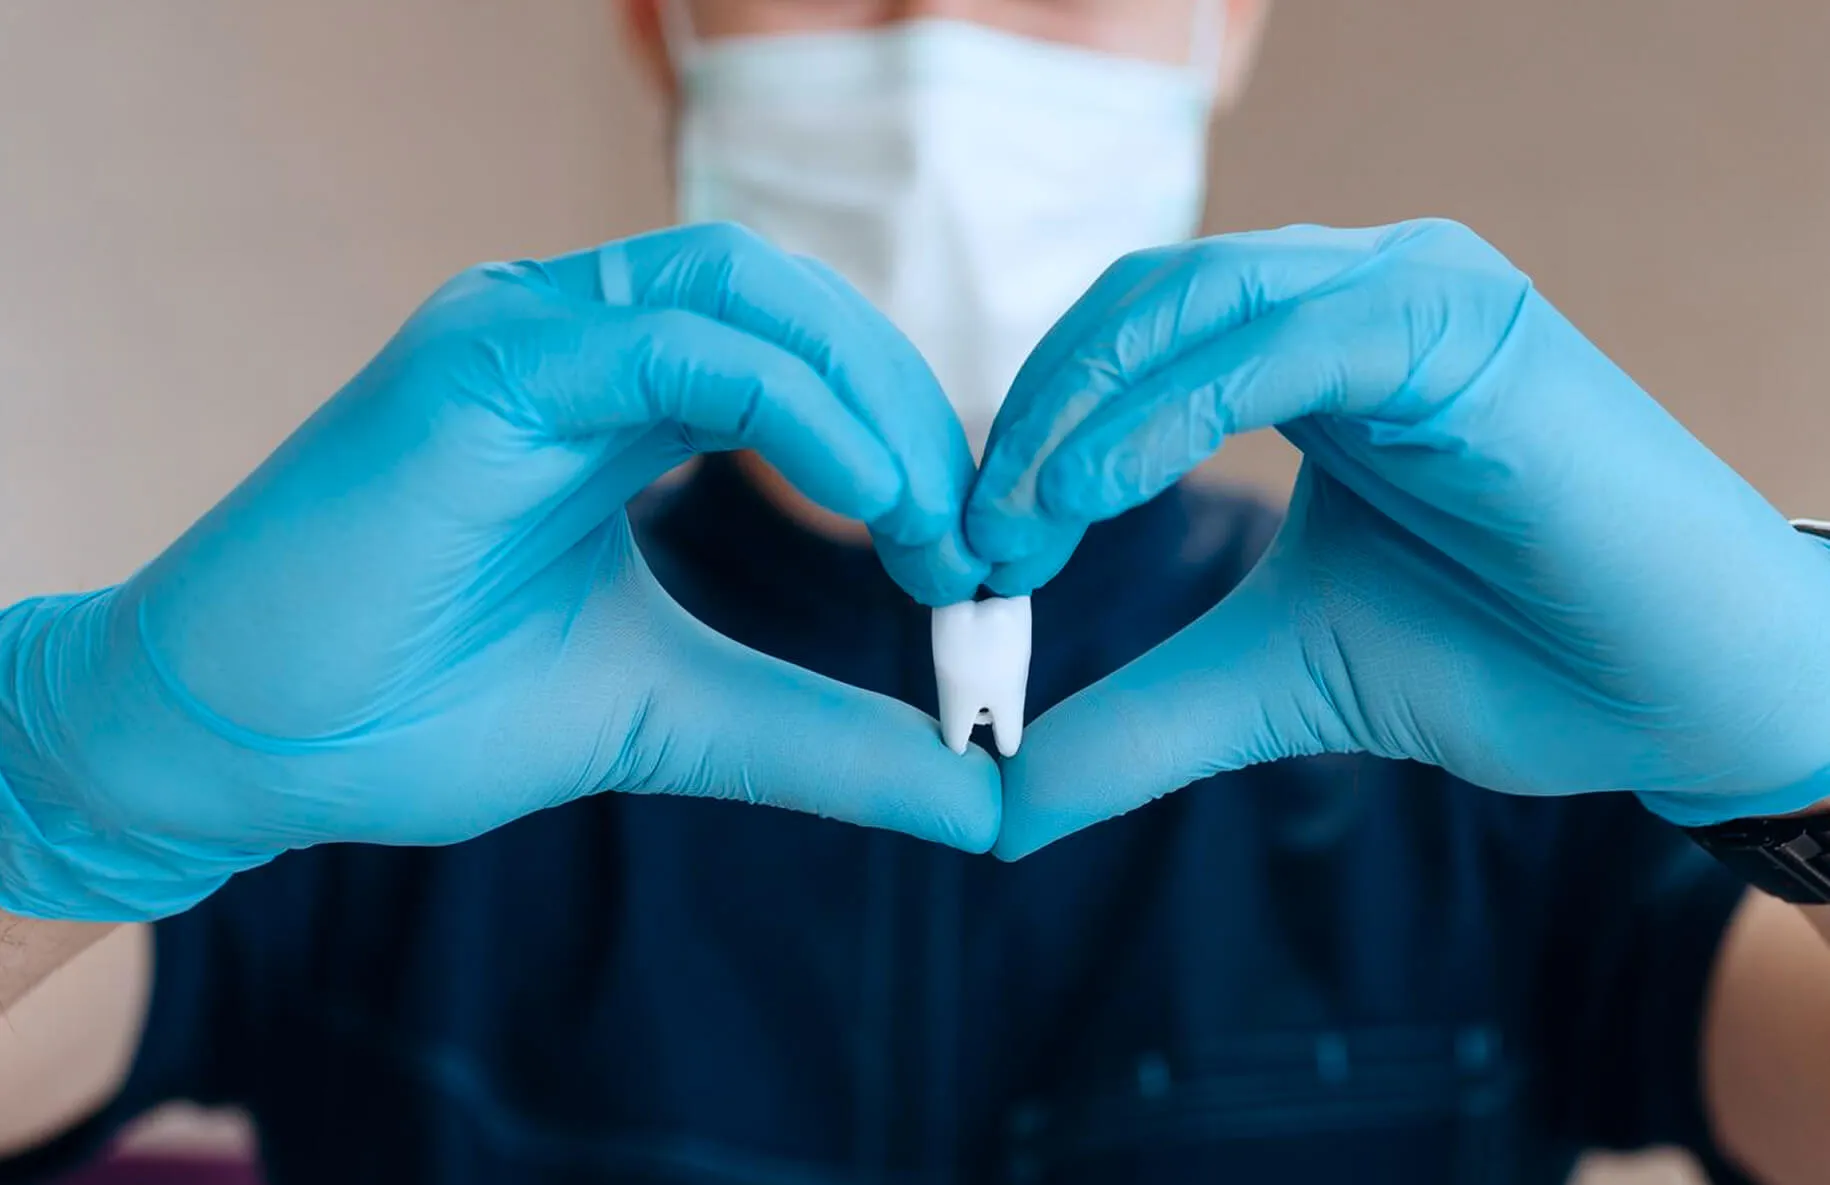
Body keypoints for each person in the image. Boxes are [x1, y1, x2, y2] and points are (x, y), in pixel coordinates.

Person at [2, 2, 1828, 1183]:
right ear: (660, 24)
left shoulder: (1508, 746)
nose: (944, 26)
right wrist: (49, 804)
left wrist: (1816, 749)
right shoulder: (378, 724)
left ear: (1227, 21)